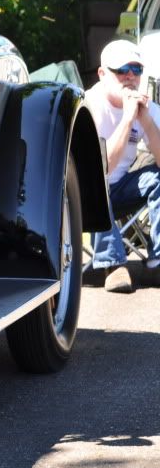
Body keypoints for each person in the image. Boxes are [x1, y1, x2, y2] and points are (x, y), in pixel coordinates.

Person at [85, 39, 160, 293]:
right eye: (122, 70)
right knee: (96, 180)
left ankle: (157, 261)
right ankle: (113, 265)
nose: (130, 76)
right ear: (103, 74)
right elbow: (102, 168)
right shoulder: (90, 106)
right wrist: (128, 119)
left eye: (136, 70)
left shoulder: (147, 108)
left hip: (121, 190)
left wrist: (147, 122)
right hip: (84, 197)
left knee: (156, 178)